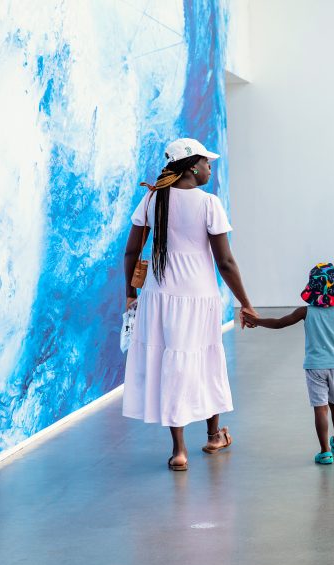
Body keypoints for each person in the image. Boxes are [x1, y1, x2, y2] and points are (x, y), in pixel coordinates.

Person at [122, 137, 256, 471]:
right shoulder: (209, 204)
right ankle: (213, 435)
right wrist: (246, 303)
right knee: (207, 359)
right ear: (193, 165)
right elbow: (225, 262)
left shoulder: (153, 199)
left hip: (159, 298)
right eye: (207, 163)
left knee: (173, 363)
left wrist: (131, 293)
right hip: (199, 297)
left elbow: (131, 252)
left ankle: (178, 451)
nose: (210, 168)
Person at [244, 264, 334, 465]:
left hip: (315, 367)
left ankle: (325, 451)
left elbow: (279, 323)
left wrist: (257, 321)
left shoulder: (306, 312)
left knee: (320, 409)